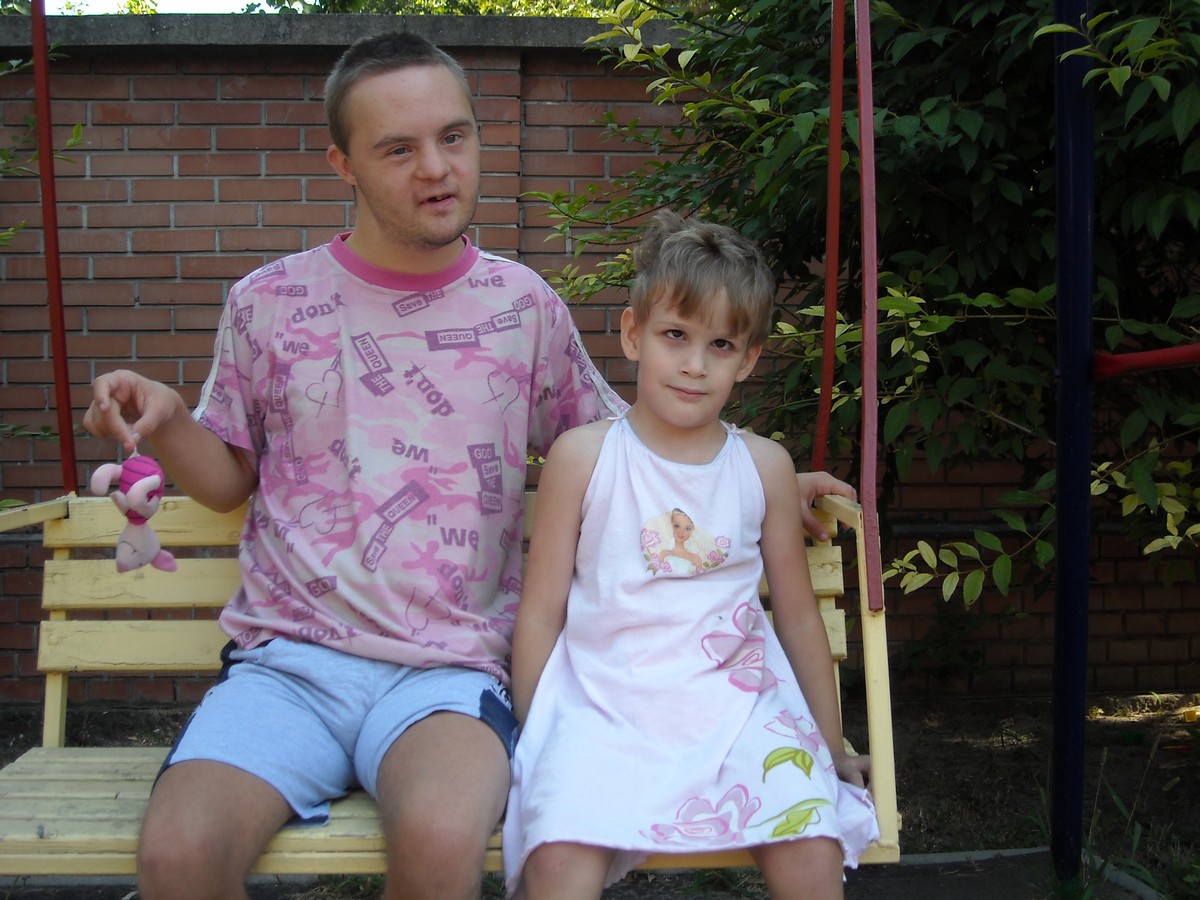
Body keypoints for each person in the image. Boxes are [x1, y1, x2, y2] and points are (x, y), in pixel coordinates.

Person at [82, 30, 855, 900]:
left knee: (443, 841)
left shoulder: (522, 308)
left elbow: (634, 452)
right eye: (398, 149)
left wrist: (758, 488)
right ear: (343, 164)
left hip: (452, 673)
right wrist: (170, 419)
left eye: (454, 136)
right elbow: (229, 482)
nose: (436, 168)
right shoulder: (269, 303)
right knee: (179, 857)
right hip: (288, 665)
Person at [503, 210, 879, 900]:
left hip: (737, 710)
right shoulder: (582, 458)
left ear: (749, 358)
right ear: (633, 334)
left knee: (811, 849)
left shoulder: (763, 467)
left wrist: (828, 746)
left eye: (721, 344)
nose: (695, 365)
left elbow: (799, 619)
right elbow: (540, 614)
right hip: (604, 707)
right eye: (675, 334)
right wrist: (536, 733)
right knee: (556, 862)